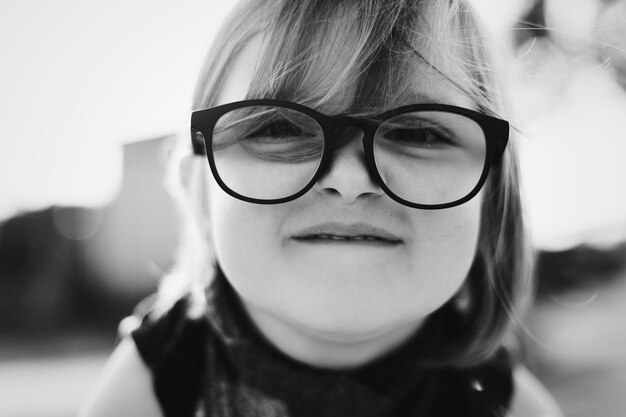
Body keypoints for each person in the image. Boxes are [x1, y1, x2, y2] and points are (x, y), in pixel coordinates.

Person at [80, 0, 563, 416]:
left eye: (418, 133)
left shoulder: (508, 407)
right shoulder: (151, 391)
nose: (350, 180)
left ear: (492, 201)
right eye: (279, 128)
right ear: (197, 196)